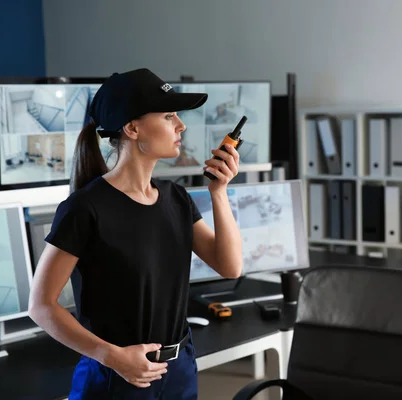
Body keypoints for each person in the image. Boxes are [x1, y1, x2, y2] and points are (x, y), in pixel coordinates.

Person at [28, 68, 243, 399]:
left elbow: (230, 267)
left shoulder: (177, 199)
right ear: (132, 128)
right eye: (169, 115)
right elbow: (41, 306)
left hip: (178, 370)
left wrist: (219, 192)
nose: (181, 125)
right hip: (116, 375)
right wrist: (112, 357)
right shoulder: (84, 209)